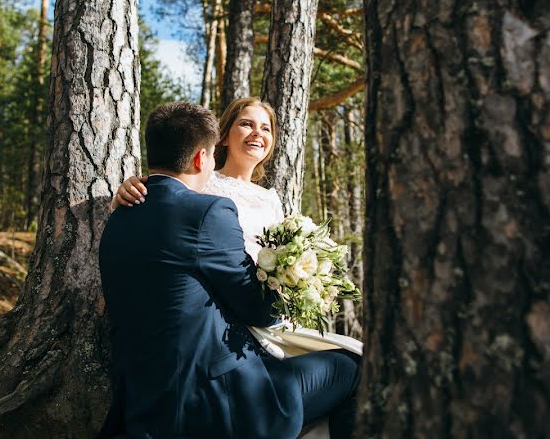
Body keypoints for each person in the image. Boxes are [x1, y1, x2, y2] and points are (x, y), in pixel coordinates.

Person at [99, 102, 360, 439]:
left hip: (148, 387)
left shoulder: (117, 222)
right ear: (205, 154)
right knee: (357, 366)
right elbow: (253, 303)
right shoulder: (207, 202)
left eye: (266, 127)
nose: (257, 134)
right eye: (246, 124)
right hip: (224, 380)